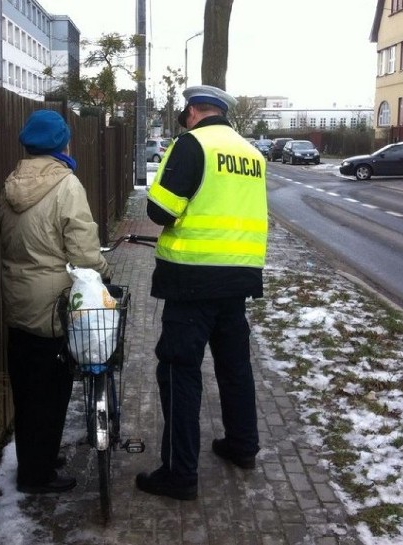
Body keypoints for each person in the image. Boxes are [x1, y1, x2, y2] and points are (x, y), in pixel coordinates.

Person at [135, 85, 268, 501]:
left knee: (179, 372)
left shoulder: (191, 145)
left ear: (192, 111)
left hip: (192, 283)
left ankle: (179, 474)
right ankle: (242, 447)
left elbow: (160, 211)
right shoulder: (251, 153)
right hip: (238, 282)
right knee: (234, 368)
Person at [0, 109, 112, 494]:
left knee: (27, 390)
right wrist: (101, 269)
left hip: (17, 300)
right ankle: (38, 476)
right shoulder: (67, 185)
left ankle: (37, 457)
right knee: (52, 392)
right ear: (61, 144)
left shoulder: (11, 182)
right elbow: (83, 251)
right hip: (51, 308)